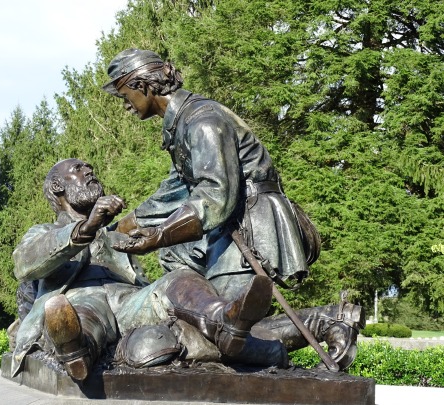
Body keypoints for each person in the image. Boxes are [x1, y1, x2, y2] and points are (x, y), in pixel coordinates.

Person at [103, 49, 364, 369]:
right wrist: (116, 230)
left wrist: (159, 235)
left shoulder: (202, 121)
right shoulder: (182, 124)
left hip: (249, 226)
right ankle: (333, 320)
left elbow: (216, 194)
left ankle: (328, 323)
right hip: (228, 230)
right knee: (218, 324)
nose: (125, 105)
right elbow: (174, 192)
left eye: (124, 95)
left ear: (142, 86)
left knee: (224, 332)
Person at [10, 158, 288, 382]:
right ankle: (76, 351)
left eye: (89, 168)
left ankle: (224, 320)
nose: (89, 172)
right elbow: (24, 263)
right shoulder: (44, 232)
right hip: (81, 299)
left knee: (180, 278)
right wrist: (86, 227)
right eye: (78, 169)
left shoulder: (115, 234)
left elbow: (166, 212)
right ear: (57, 186)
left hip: (130, 301)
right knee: (82, 314)